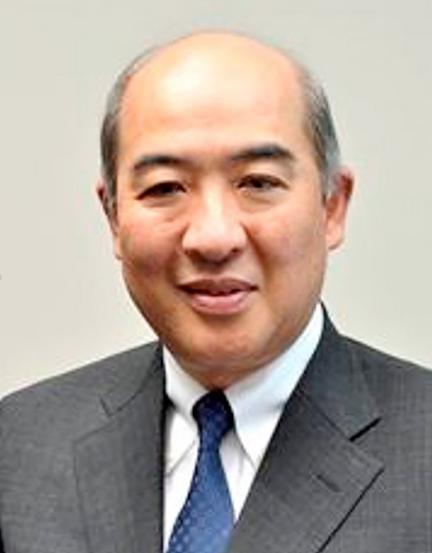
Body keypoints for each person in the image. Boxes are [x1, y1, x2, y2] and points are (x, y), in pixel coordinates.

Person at [1, 30, 432, 553]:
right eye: (165, 188)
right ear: (113, 216)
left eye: (258, 183)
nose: (212, 237)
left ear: (332, 206)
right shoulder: (19, 445)